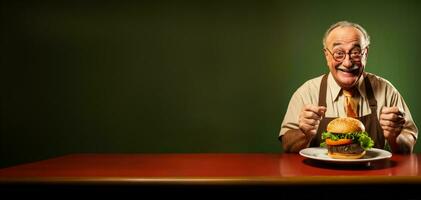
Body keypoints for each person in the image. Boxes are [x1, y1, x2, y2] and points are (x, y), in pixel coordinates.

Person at [279, 21, 418, 154]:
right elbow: (287, 145)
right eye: (339, 53)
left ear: (366, 54)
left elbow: (409, 143)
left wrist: (395, 137)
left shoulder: (386, 90)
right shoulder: (307, 92)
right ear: (327, 55)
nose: (347, 63)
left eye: (355, 52)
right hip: (319, 177)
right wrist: (304, 133)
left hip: (373, 176)